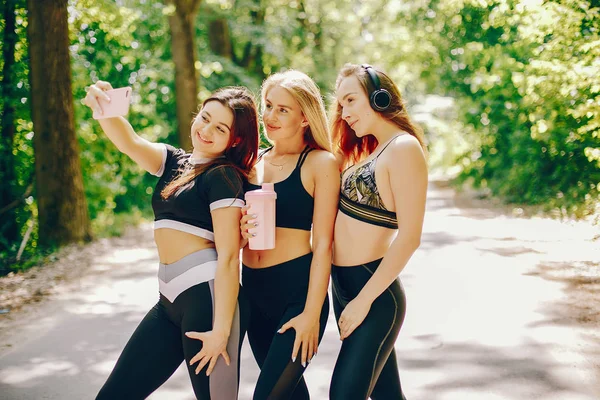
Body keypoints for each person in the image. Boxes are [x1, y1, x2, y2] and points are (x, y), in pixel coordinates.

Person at [83, 82, 260, 399]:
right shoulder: (173, 161)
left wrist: (221, 331)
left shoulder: (223, 176)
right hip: (168, 302)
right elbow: (129, 141)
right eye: (204, 118)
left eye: (219, 128)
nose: (206, 130)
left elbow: (230, 257)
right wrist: (104, 107)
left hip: (208, 303)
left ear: (234, 140)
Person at [328, 64, 428, 400]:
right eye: (340, 104)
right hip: (344, 289)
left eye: (351, 100)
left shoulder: (403, 148)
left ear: (379, 97)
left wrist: (362, 302)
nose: (344, 112)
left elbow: (410, 237)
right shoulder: (367, 151)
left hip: (372, 295)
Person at [239, 70, 339, 400]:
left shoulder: (320, 163)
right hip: (254, 294)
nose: (270, 116)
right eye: (268, 106)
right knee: (290, 395)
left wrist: (311, 313)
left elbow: (323, 244)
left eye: (283, 109)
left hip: (296, 295)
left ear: (305, 117)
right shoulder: (251, 162)